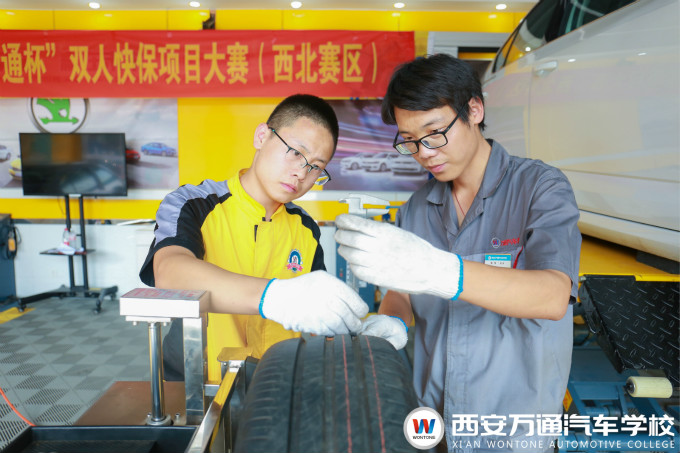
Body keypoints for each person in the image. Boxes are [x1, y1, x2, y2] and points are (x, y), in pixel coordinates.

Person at [335, 54, 581, 452]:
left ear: (474, 110)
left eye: (434, 133)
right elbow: (403, 291)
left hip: (514, 436)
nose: (424, 152)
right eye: (409, 141)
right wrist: (391, 321)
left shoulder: (540, 188)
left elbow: (552, 296)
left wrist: (445, 272)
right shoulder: (417, 208)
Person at [140, 94, 368, 383]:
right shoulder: (193, 203)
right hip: (198, 384)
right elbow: (170, 273)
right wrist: (273, 296)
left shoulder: (305, 228)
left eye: (316, 167)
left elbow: (316, 314)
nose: (301, 173)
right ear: (262, 136)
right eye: (295, 153)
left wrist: (362, 329)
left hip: (276, 384)